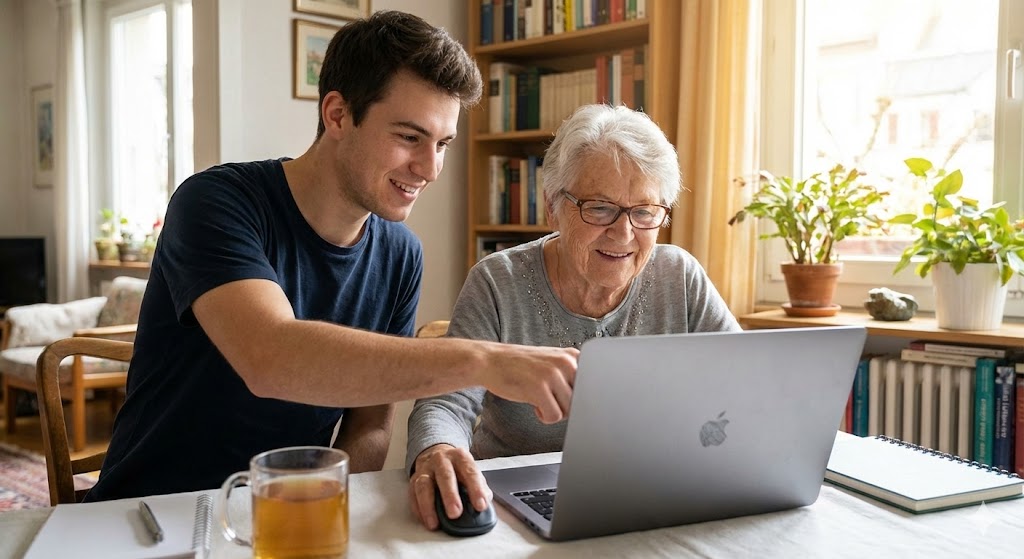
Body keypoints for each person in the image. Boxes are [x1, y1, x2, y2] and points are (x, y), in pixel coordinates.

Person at [85, 10, 578, 502]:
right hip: (153, 513)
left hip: (288, 516)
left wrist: (325, 506)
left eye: (442, 143)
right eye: (409, 137)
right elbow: (270, 357)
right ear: (338, 114)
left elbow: (371, 428)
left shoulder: (401, 253)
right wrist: (482, 360)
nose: (430, 168)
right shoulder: (215, 202)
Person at [405, 104, 742, 530]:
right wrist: (439, 449)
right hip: (516, 504)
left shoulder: (680, 277)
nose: (623, 234)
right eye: (600, 208)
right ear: (552, 206)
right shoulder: (499, 281)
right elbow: (445, 401)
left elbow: (741, 385)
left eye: (644, 212)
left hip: (649, 494)